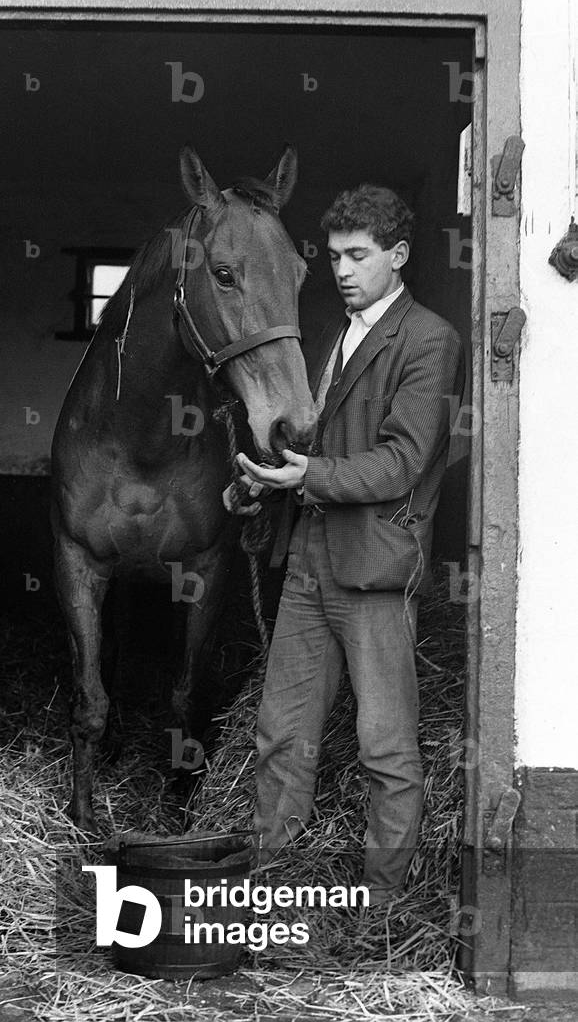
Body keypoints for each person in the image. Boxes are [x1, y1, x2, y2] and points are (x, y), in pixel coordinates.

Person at [223, 184, 465, 905]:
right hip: (309, 562)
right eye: (334, 257)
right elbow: (320, 445)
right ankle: (272, 885)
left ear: (399, 255)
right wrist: (266, 483)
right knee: (280, 734)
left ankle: (382, 907)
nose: (343, 270)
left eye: (358, 255)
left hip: (376, 573)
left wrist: (310, 474)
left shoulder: (430, 340)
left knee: (385, 748)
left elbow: (403, 462)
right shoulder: (335, 333)